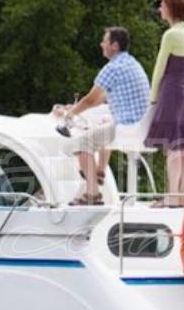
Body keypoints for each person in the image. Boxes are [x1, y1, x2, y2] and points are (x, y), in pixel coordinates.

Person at [51, 26, 150, 205]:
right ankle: (98, 172)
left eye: (105, 41)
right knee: (102, 128)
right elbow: (100, 99)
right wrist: (73, 108)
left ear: (114, 46)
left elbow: (90, 100)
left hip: (127, 127)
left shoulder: (112, 68)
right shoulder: (132, 63)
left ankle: (92, 194)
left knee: (83, 142)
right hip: (142, 126)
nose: (101, 44)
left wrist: (69, 115)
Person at [145, 0, 184, 207]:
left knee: (173, 146)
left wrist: (153, 97)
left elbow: (160, 67)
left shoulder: (170, 35)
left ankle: (171, 196)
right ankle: (181, 195)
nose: (160, 8)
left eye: (163, 5)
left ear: (170, 9)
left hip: (172, 90)